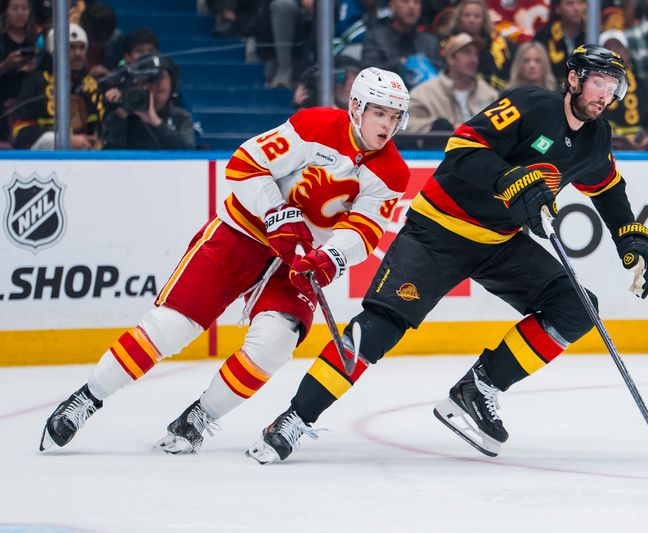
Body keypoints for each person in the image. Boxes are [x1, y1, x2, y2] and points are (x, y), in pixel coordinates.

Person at [246, 44, 648, 464]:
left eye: (612, 87)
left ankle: (478, 389)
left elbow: (608, 188)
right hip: (437, 232)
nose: (604, 95)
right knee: (379, 328)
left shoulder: (595, 138)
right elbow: (462, 148)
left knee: (575, 307)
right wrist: (509, 179)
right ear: (573, 78)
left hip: (499, 243)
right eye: (598, 83)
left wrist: (631, 237)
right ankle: (294, 417)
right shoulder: (531, 104)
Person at [38, 67, 412, 455]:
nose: (388, 124)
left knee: (274, 344)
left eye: (395, 116)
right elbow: (244, 165)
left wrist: (329, 258)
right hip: (241, 234)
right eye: (380, 113)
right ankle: (86, 398)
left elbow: (365, 231)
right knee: (171, 326)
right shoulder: (313, 124)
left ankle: (198, 417)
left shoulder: (392, 172)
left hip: (294, 262)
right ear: (356, 107)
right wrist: (277, 212)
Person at [12, 22, 103, 150]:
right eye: (71, 48)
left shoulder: (90, 84)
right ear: (54, 52)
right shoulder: (35, 81)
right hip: (43, 155)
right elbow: (21, 131)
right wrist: (65, 140)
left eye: (82, 48)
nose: (78, 53)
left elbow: (98, 127)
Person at [406, 32, 498, 132]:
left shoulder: (489, 94)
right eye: (467, 53)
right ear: (450, 59)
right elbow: (405, 124)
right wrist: (438, 126)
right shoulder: (424, 93)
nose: (474, 60)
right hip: (442, 147)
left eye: (476, 54)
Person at [101, 55, 195, 150]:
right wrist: (119, 120)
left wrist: (156, 122)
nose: (158, 85)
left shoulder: (181, 117)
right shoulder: (126, 115)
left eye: (162, 77)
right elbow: (110, 155)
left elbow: (188, 151)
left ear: (172, 82)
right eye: (149, 80)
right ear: (138, 84)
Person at [361, 0, 442, 89]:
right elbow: (367, 73)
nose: (412, 6)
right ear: (391, 6)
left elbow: (440, 76)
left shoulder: (430, 42)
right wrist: (399, 64)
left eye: (416, 2)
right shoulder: (375, 37)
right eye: (405, 1)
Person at [445, 0, 516, 91]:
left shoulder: (498, 43)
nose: (471, 20)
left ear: (484, 19)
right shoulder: (446, 42)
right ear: (459, 18)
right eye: (467, 15)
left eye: (477, 16)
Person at [0, 0, 37, 144]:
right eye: (15, 8)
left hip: (27, 102)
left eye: (24, 8)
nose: (20, 13)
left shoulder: (35, 39)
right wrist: (6, 65)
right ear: (5, 11)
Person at [534, 0, 587, 85]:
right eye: (570, 3)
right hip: (551, 89)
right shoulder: (544, 36)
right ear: (557, 8)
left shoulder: (592, 35)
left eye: (580, 2)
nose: (576, 8)